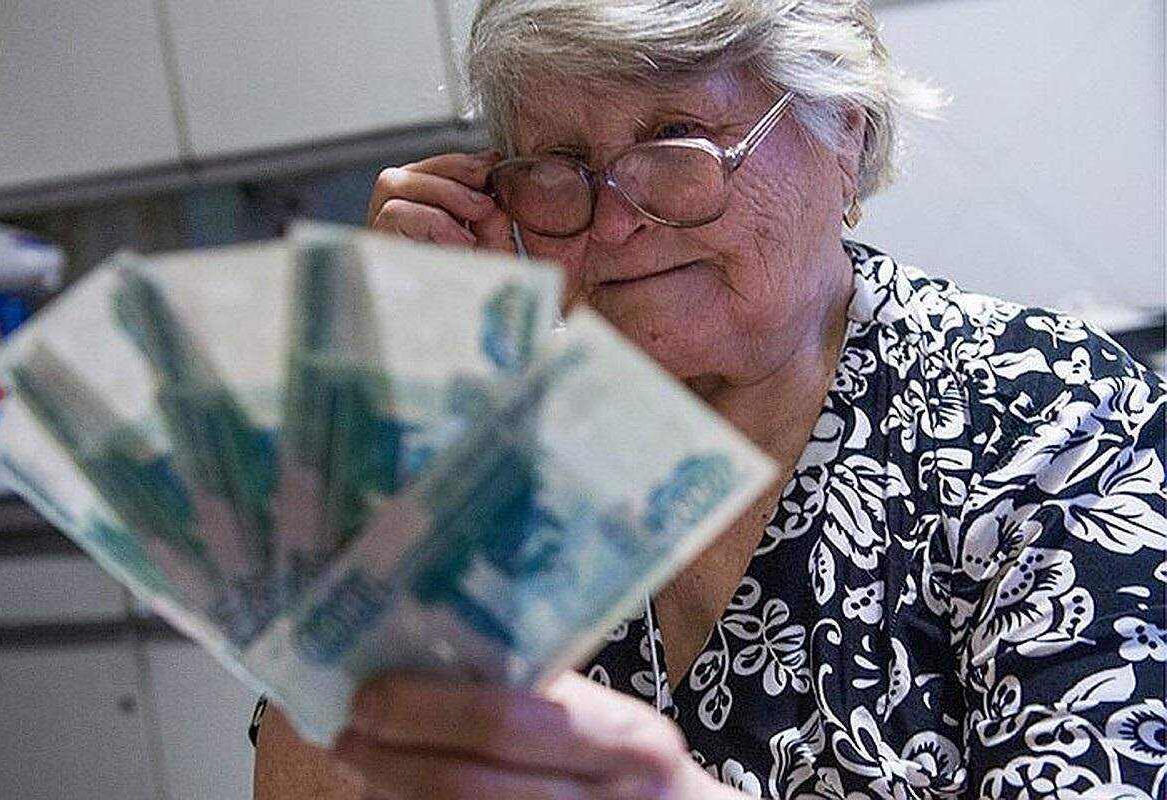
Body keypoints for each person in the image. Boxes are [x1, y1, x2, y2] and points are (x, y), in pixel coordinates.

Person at [253, 1, 1166, 797]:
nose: (617, 222)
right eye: (560, 164)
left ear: (842, 135)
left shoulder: (1057, 422)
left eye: (676, 142)